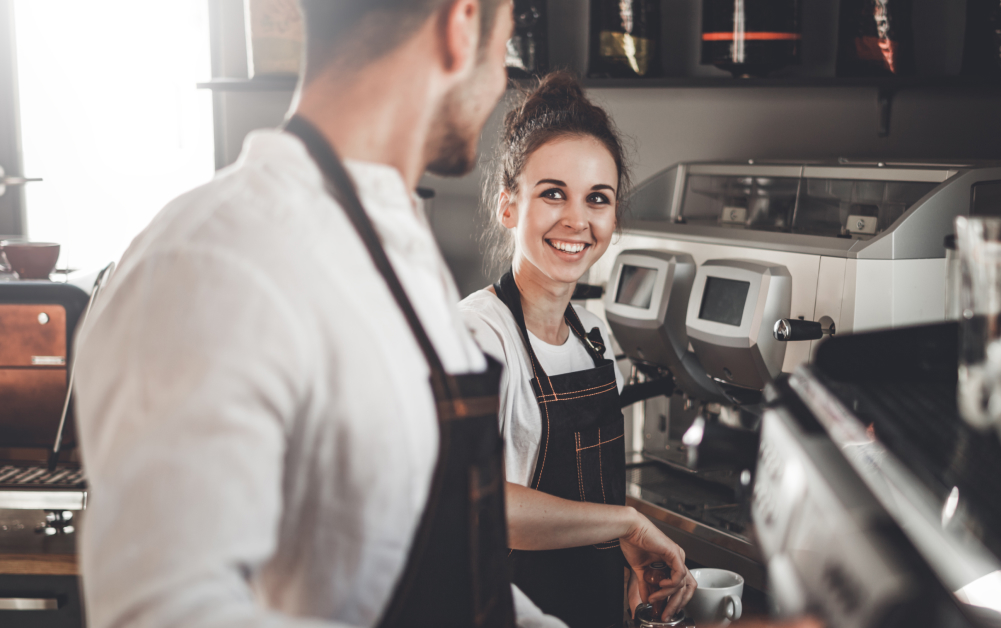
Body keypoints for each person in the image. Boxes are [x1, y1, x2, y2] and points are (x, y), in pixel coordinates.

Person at [69, 2, 682, 627]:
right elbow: (163, 613)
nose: (500, 79)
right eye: (502, 45)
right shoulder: (214, 256)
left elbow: (440, 557)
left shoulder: (396, 255)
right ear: (461, 25)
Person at [459, 71, 697, 628]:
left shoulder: (593, 337)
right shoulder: (478, 335)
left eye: (597, 199)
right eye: (553, 194)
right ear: (507, 206)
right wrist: (627, 523)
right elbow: (477, 504)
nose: (577, 220)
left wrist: (630, 570)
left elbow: (590, 506)